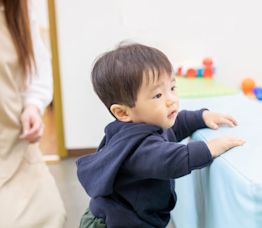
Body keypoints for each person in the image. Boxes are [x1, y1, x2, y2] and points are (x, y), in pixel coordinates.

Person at [77, 43, 245, 227]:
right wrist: (209, 148)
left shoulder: (149, 123)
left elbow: (175, 126)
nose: (171, 99)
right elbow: (170, 160)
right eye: (158, 95)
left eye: (172, 88)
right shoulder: (137, 146)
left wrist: (201, 117)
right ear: (123, 113)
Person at [0, 0, 66, 227]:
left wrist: (32, 106)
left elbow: (36, 65)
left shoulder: (18, 9)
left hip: (14, 143)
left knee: (50, 214)